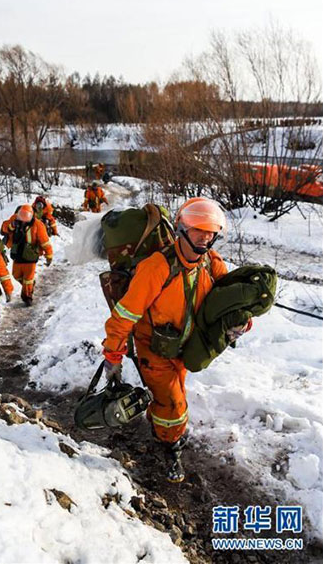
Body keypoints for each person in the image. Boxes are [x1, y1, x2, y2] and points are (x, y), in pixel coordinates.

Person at [100, 197, 251, 483]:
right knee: (174, 405)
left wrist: (243, 321)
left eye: (211, 232)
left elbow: (230, 301)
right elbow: (125, 313)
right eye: (199, 230)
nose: (205, 237)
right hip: (153, 348)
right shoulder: (157, 267)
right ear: (182, 228)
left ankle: (161, 427)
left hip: (184, 347)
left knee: (171, 396)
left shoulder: (211, 263)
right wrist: (113, 354)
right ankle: (170, 448)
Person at [0, 204, 54, 306]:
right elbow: (4, 228)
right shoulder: (14, 219)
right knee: (16, 275)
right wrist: (12, 225)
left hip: (31, 255)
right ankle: (29, 285)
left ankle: (27, 297)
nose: (24, 220)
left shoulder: (38, 225)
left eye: (26, 217)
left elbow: (45, 242)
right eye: (22, 216)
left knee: (28, 279)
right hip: (18, 254)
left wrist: (49, 255)